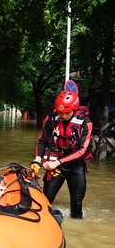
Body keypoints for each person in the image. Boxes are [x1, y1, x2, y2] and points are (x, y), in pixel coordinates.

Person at [32, 90, 92, 219]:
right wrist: (37, 160)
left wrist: (57, 163)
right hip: (56, 166)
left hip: (76, 166)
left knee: (76, 206)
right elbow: (42, 140)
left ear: (74, 110)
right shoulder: (51, 118)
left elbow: (82, 151)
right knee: (45, 202)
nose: (62, 116)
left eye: (66, 113)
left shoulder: (85, 123)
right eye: (59, 112)